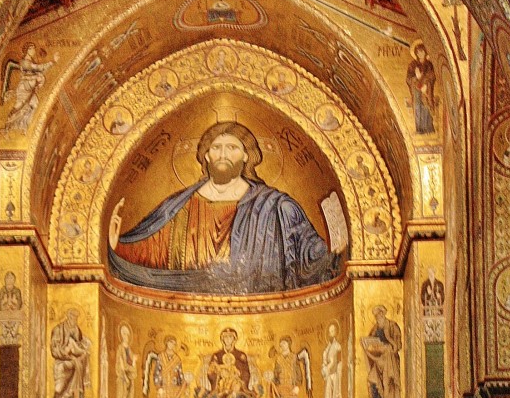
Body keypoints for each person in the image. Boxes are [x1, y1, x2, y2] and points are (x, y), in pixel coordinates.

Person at [108, 121, 341, 294]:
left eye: (232, 148)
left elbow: (310, 256)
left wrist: (335, 253)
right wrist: (115, 244)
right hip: (185, 304)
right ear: (206, 156)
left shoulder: (276, 206)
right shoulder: (179, 206)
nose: (223, 154)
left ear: (246, 156)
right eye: (216, 147)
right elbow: (149, 251)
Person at [200, 328, 254, 398]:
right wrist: (215, 373)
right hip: (220, 387)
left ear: (234, 339)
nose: (228, 339)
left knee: (233, 397)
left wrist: (239, 383)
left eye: (230, 337)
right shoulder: (217, 355)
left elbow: (246, 373)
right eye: (225, 337)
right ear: (222, 339)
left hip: (236, 389)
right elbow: (211, 374)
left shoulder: (240, 355)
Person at [2, 43, 57, 133]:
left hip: (30, 88)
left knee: (34, 104)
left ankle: (24, 125)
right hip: (24, 87)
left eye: (34, 48)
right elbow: (39, 68)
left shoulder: (31, 63)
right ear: (27, 50)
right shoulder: (25, 62)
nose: (34, 50)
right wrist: (52, 62)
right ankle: (7, 125)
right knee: (20, 105)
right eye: (31, 49)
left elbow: (40, 71)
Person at [50, 309, 91, 398]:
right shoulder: (58, 329)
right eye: (73, 317)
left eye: (76, 318)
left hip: (74, 361)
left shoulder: (77, 330)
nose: (75, 320)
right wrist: (66, 351)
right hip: (62, 362)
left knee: (78, 373)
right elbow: (54, 350)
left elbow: (79, 345)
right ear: (68, 316)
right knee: (60, 387)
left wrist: (83, 348)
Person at [361, 306, 402, 398]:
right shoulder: (375, 328)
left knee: (388, 381)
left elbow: (398, 345)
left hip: (390, 360)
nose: (377, 317)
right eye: (375, 316)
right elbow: (370, 340)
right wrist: (367, 343)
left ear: (383, 314)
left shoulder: (393, 326)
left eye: (379, 314)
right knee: (372, 378)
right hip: (379, 359)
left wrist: (390, 345)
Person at [406, 41, 436, 134]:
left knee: (426, 106)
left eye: (422, 51)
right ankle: (419, 129)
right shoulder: (412, 65)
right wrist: (416, 78)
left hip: (426, 89)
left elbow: (432, 76)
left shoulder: (429, 64)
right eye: (418, 52)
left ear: (425, 52)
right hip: (416, 90)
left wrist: (423, 80)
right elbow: (408, 78)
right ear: (416, 53)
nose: (420, 54)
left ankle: (428, 128)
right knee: (418, 107)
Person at [114, 323, 137, 398]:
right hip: (122, 381)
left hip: (130, 382)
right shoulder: (120, 348)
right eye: (123, 333)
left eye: (127, 334)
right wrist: (126, 374)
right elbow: (120, 365)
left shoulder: (130, 350)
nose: (126, 336)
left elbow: (132, 367)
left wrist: (133, 364)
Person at [321, 324, 343, 398]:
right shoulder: (327, 349)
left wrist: (330, 368)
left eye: (333, 331)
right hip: (329, 378)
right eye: (330, 331)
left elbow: (338, 363)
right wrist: (324, 369)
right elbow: (324, 363)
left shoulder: (338, 346)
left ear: (336, 332)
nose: (331, 333)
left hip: (335, 376)